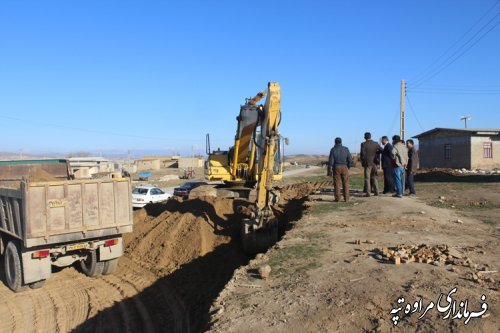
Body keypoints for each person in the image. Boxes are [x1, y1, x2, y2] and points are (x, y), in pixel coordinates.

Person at [328, 137, 353, 202]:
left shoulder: (333, 150)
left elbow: (331, 161)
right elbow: (350, 159)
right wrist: (349, 166)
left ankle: (337, 198)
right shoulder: (346, 149)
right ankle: (346, 198)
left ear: (335, 142)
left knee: (337, 183)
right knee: (346, 183)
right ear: (341, 142)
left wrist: (329, 170)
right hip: (344, 167)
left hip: (336, 167)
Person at [360, 132, 383, 197]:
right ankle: (376, 192)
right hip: (374, 163)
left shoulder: (363, 144)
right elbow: (382, 150)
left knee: (367, 178)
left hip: (367, 164)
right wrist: (376, 153)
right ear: (370, 136)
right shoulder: (376, 143)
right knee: (374, 177)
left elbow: (362, 154)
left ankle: (368, 193)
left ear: (365, 137)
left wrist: (363, 162)